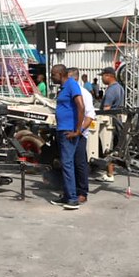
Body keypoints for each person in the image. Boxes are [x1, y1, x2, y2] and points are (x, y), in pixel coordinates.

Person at [48, 64, 85, 210]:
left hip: (68, 131)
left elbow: (81, 107)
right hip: (62, 129)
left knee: (67, 164)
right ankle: (67, 195)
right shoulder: (64, 88)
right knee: (65, 163)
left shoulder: (71, 85)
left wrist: (78, 130)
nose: (51, 77)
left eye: (53, 74)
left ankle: (72, 199)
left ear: (60, 74)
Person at [67, 67, 95, 203]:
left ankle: (82, 191)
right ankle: (69, 189)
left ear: (75, 78)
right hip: (67, 132)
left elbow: (89, 116)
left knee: (79, 163)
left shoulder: (84, 94)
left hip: (79, 134)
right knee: (68, 163)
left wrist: (78, 131)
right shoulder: (66, 92)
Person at [97, 66, 124, 182]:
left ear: (108, 76)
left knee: (107, 147)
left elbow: (106, 109)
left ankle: (109, 174)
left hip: (109, 121)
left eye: (103, 76)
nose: (102, 78)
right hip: (117, 120)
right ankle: (110, 173)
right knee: (112, 147)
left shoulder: (111, 90)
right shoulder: (119, 87)